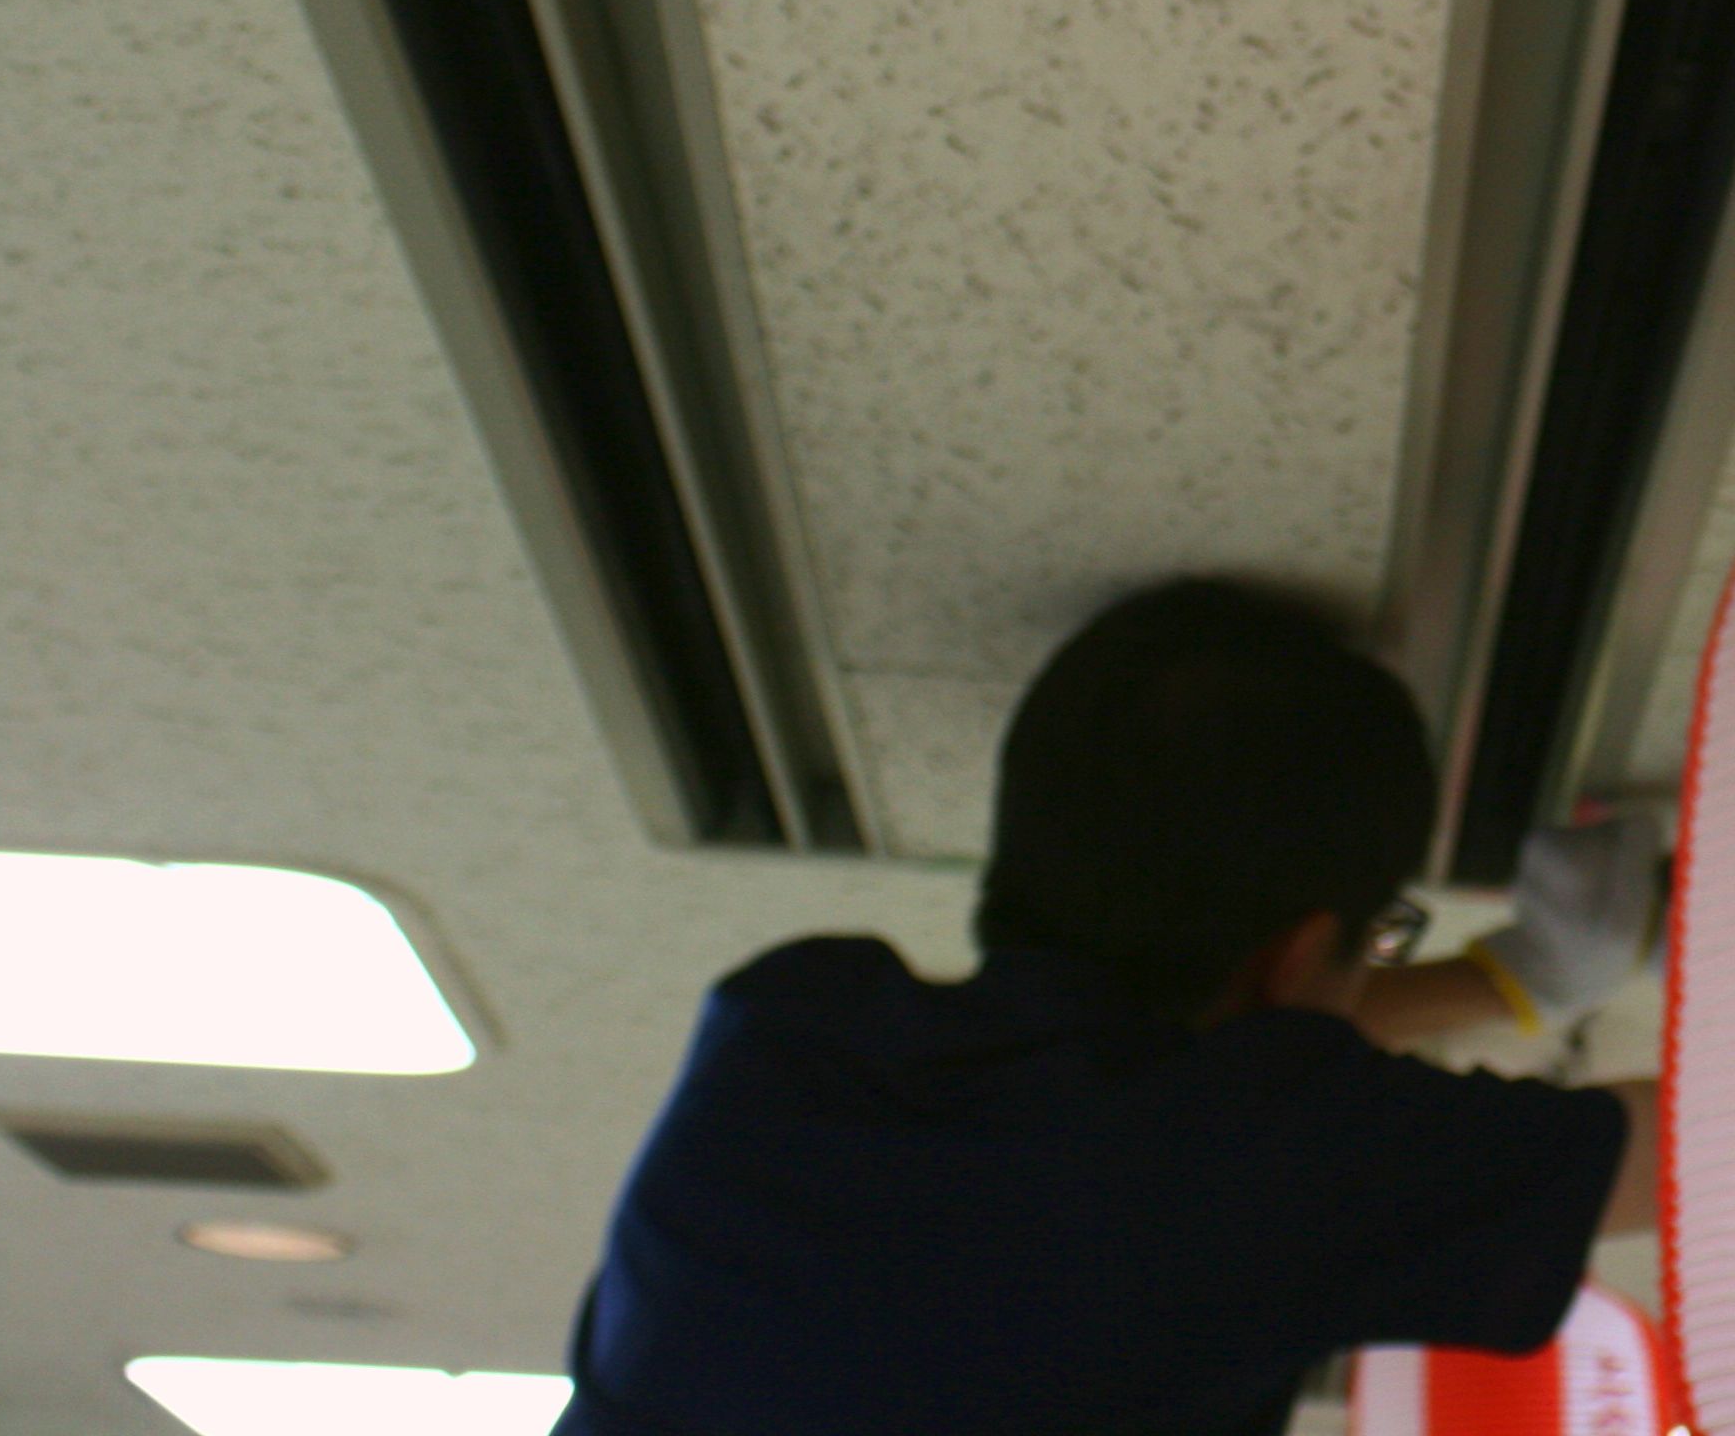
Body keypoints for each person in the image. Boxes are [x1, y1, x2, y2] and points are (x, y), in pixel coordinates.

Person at [551, 576, 1664, 1436]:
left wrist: (1515, 982)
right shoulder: (782, 1030)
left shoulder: (801, 1030)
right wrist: (1525, 978)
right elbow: (1719, 1156)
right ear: (1296, 953)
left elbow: (1177, 1098)